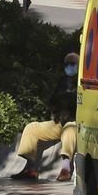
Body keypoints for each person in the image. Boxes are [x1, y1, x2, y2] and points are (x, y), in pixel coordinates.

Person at [13, 53, 79, 182]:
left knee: (69, 130)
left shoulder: (83, 82)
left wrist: (65, 100)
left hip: (76, 123)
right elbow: (52, 100)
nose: (69, 67)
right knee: (32, 128)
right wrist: (56, 109)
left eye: (72, 64)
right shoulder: (63, 81)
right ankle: (30, 168)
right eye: (67, 64)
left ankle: (66, 169)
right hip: (59, 122)